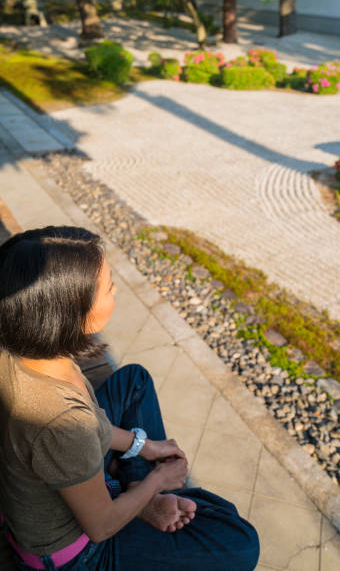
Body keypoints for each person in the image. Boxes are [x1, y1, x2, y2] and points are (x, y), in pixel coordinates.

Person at [0, 226, 260, 571]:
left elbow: (93, 424)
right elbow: (101, 525)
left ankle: (133, 485)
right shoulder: (58, 419)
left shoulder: (23, 350)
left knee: (134, 380)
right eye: (107, 287)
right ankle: (137, 490)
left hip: (71, 471)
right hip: (78, 553)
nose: (115, 289)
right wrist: (158, 481)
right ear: (70, 312)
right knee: (240, 541)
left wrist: (145, 446)